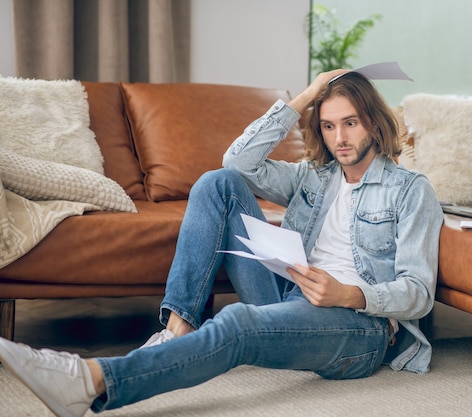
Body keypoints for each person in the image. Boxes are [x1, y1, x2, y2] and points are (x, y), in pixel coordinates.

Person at [0, 69, 443, 417]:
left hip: (359, 328)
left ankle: (93, 380)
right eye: (328, 126)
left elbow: (419, 293)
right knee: (219, 182)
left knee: (238, 323)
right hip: (291, 292)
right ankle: (178, 329)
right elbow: (237, 160)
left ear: (374, 121)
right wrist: (305, 98)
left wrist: (349, 293)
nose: (340, 138)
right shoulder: (315, 176)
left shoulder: (410, 189)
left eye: (350, 123)